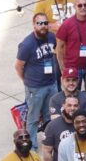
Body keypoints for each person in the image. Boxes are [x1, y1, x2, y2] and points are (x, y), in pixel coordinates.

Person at [16, 13, 59, 141]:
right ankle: (32, 146)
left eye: (45, 23)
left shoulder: (51, 37)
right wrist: (26, 81)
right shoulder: (27, 44)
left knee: (50, 115)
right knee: (33, 118)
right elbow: (18, 66)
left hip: (51, 83)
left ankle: (49, 140)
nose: (43, 26)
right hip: (35, 88)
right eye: (39, 23)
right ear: (34, 25)